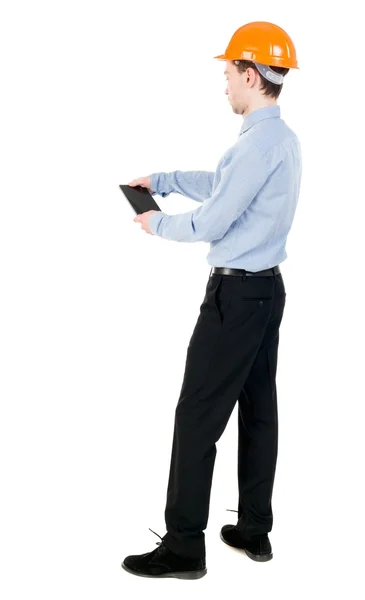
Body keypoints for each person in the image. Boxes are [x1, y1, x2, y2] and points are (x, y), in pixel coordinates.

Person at [122, 20, 302, 579]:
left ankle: (182, 547)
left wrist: (157, 223)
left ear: (251, 75)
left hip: (235, 296)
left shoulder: (259, 143)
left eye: (229, 73)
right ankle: (254, 529)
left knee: (197, 414)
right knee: (258, 410)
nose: (224, 84)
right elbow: (225, 184)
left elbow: (214, 218)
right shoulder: (277, 139)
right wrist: (166, 178)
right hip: (265, 293)